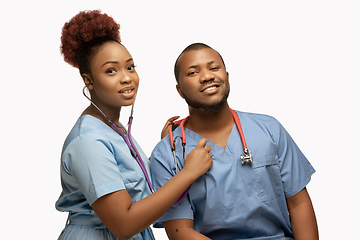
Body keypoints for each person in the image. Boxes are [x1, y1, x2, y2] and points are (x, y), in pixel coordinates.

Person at [55, 11, 213, 240]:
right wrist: (188, 173)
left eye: (130, 67)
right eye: (111, 70)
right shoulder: (87, 140)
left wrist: (162, 152)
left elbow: (131, 186)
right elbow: (124, 225)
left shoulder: (113, 128)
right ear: (88, 80)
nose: (127, 77)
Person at [150, 43, 319, 240]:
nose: (207, 76)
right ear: (180, 90)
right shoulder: (167, 154)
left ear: (227, 76)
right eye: (193, 72)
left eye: (214, 68)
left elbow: (299, 204)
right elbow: (181, 232)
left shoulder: (269, 129)